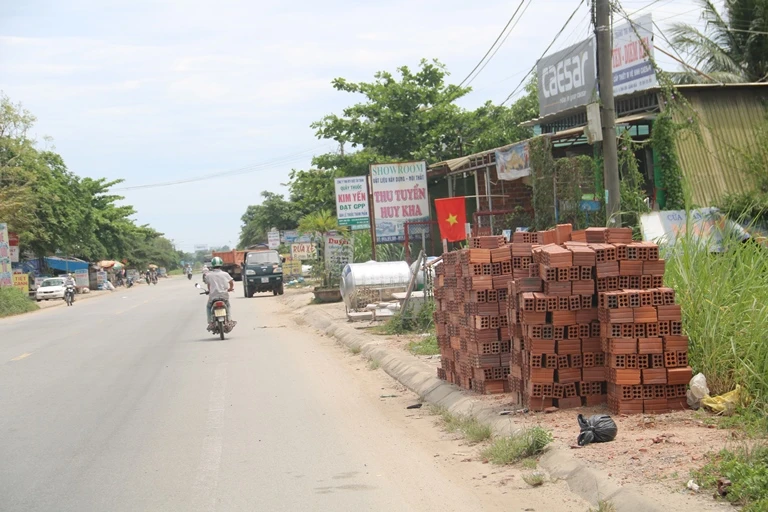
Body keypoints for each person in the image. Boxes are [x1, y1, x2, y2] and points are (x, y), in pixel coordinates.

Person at [205, 257, 236, 332]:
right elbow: (231, 283)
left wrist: (210, 291)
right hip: (224, 296)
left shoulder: (209, 275)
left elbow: (209, 285)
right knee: (228, 306)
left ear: (212, 265)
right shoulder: (225, 274)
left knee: (208, 307)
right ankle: (229, 320)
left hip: (213, 297)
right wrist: (230, 288)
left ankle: (210, 322)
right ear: (221, 264)